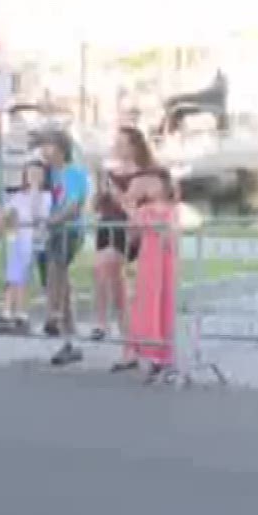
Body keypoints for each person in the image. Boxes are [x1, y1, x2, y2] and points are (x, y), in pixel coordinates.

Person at [92, 127, 153, 350]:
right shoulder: (110, 173)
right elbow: (97, 206)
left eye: (121, 143)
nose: (116, 147)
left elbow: (134, 206)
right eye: (115, 143)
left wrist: (115, 192)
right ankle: (129, 345)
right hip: (106, 226)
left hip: (125, 229)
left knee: (102, 265)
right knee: (116, 285)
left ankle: (101, 322)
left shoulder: (143, 175)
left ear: (133, 147)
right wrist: (100, 192)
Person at [39, 132, 91, 366]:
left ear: (61, 148)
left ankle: (54, 315)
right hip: (50, 232)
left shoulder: (74, 174)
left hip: (68, 231)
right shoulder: (48, 175)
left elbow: (73, 205)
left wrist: (53, 220)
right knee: (61, 281)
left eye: (48, 146)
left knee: (56, 267)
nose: (44, 152)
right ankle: (69, 337)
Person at [124, 169, 179, 381]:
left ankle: (165, 354)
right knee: (147, 304)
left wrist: (161, 228)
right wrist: (132, 214)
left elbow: (170, 235)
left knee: (163, 304)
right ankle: (150, 351)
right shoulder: (144, 210)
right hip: (148, 263)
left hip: (165, 263)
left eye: (153, 184)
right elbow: (133, 236)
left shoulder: (171, 210)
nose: (148, 188)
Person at [0, 162, 51, 333]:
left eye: (37, 174)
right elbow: (8, 215)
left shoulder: (45, 196)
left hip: (34, 240)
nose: (33, 177)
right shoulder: (19, 196)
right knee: (15, 275)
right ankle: (11, 312)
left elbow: (38, 215)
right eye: (30, 173)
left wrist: (35, 191)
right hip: (19, 239)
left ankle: (17, 312)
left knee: (21, 276)